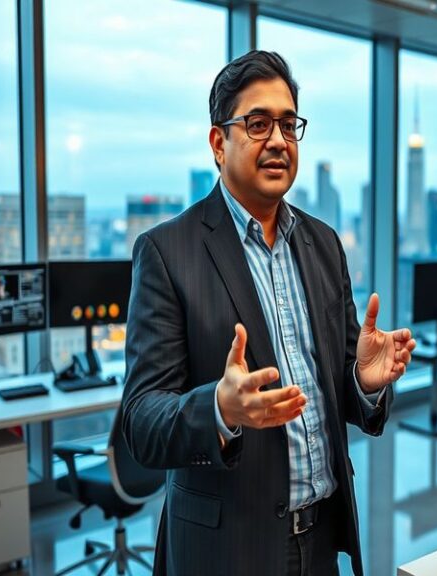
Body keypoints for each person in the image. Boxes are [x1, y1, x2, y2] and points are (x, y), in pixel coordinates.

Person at [121, 50, 415, 576]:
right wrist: (219, 408)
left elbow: (342, 389)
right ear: (219, 143)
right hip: (226, 549)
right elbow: (141, 421)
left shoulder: (324, 243)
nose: (278, 140)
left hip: (323, 536)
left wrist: (364, 381)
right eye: (257, 124)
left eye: (288, 124)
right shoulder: (168, 252)